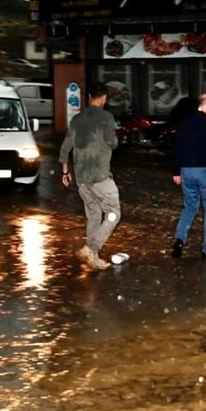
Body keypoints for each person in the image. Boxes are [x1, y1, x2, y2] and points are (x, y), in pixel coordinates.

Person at [59, 84, 120, 271]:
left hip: (82, 177)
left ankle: (93, 258)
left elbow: (65, 147)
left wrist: (65, 172)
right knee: (113, 214)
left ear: (90, 97)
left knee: (93, 216)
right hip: (100, 176)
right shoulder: (106, 117)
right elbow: (113, 143)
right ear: (103, 99)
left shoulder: (77, 119)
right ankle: (91, 248)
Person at [171, 93, 206, 259]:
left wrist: (176, 171)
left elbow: (177, 147)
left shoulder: (184, 123)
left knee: (190, 207)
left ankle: (179, 240)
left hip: (186, 170)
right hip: (205, 172)